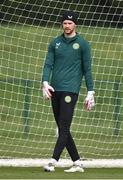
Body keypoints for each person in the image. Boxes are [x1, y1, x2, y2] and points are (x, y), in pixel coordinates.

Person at [42, 10, 95, 172]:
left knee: (63, 127)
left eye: (70, 23)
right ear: (62, 24)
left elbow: (87, 69)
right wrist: (45, 82)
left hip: (70, 90)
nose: (67, 26)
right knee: (62, 126)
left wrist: (90, 91)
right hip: (54, 90)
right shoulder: (55, 42)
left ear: (75, 25)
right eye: (64, 23)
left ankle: (52, 161)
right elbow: (48, 64)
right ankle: (78, 162)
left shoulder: (83, 44)